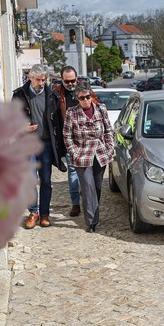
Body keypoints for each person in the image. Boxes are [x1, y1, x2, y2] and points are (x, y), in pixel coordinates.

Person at [11, 64, 66, 229]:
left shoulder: (52, 96)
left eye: (43, 80)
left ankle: (44, 214)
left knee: (46, 181)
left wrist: (61, 148)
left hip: (47, 144)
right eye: (38, 80)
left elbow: (59, 122)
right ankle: (33, 212)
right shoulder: (19, 95)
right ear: (30, 77)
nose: (41, 83)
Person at [62, 86, 115, 233]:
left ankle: (93, 211)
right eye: (82, 98)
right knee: (87, 186)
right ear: (77, 99)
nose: (85, 100)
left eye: (87, 96)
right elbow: (67, 135)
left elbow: (108, 129)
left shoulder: (101, 109)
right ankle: (91, 222)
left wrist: (110, 146)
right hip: (82, 155)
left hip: (100, 153)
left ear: (91, 96)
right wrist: (74, 152)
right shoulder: (71, 113)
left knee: (97, 186)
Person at [55, 66, 98, 218]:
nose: (71, 84)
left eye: (73, 80)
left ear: (77, 78)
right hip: (71, 141)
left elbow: (97, 106)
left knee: (88, 175)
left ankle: (89, 201)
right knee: (73, 173)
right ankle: (75, 203)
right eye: (67, 81)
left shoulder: (85, 89)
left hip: (89, 142)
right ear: (62, 80)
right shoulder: (57, 94)